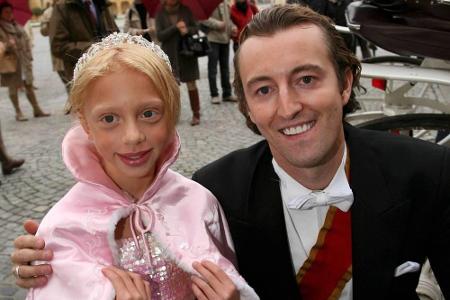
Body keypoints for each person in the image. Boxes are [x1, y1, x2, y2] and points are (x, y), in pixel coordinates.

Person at [11, 5, 450, 299]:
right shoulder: (213, 194)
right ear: (246, 104)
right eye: (264, 89)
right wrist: (51, 266)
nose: (288, 106)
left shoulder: (428, 172)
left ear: (346, 82)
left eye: (307, 79)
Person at [19, 32, 258, 300]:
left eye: (148, 113)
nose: (133, 136)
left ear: (171, 113)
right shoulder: (63, 227)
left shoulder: (199, 203)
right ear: (85, 124)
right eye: (109, 118)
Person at [0, 2, 50, 121]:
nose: (9, 14)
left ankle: (36, 109)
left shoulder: (16, 24)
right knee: (13, 88)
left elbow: (26, 38)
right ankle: (18, 112)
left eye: (10, 11)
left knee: (29, 85)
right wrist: (8, 45)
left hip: (23, 60)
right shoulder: (1, 28)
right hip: (10, 62)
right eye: (6, 12)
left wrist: (28, 54)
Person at [49, 0, 118, 84]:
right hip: (82, 76)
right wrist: (93, 49)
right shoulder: (62, 7)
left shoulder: (102, 3)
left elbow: (115, 32)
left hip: (109, 70)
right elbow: (58, 45)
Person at [155, 0, 201, 126]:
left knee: (191, 83)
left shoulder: (186, 10)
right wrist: (175, 28)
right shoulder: (160, 14)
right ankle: (173, 114)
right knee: (172, 86)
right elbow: (160, 35)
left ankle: (196, 113)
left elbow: (196, 28)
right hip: (169, 55)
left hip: (187, 53)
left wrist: (187, 30)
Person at [200, 1, 237, 104]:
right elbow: (202, 18)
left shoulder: (225, 2)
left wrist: (232, 27)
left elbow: (228, 19)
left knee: (225, 68)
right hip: (212, 39)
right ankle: (214, 94)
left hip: (225, 39)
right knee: (213, 68)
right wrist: (217, 24)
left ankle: (227, 93)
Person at [40, 0, 70, 94]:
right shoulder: (47, 12)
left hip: (70, 49)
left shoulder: (68, 8)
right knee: (66, 81)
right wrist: (48, 25)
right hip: (57, 52)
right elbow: (43, 32)